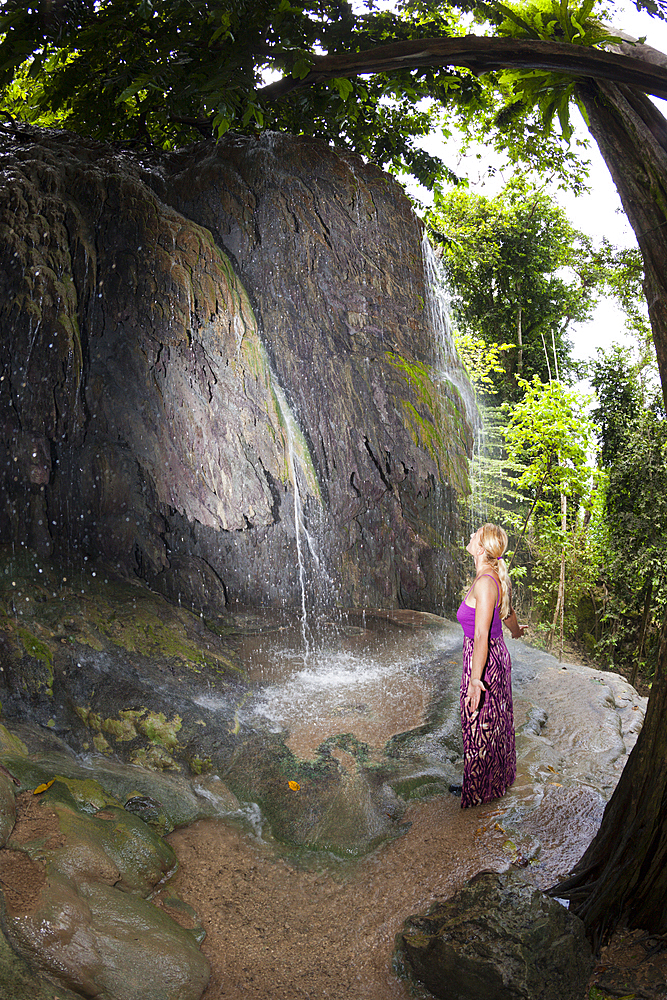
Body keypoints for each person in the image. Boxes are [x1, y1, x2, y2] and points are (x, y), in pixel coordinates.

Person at [455, 523, 527, 809]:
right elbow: (506, 611)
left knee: (477, 725)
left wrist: (475, 680)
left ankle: (476, 794)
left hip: (484, 661)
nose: (471, 535)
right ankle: (488, 783)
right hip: (492, 656)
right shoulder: (492, 575)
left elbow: (482, 633)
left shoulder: (485, 582)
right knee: (492, 723)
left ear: (481, 548)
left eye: (475, 534)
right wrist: (516, 631)